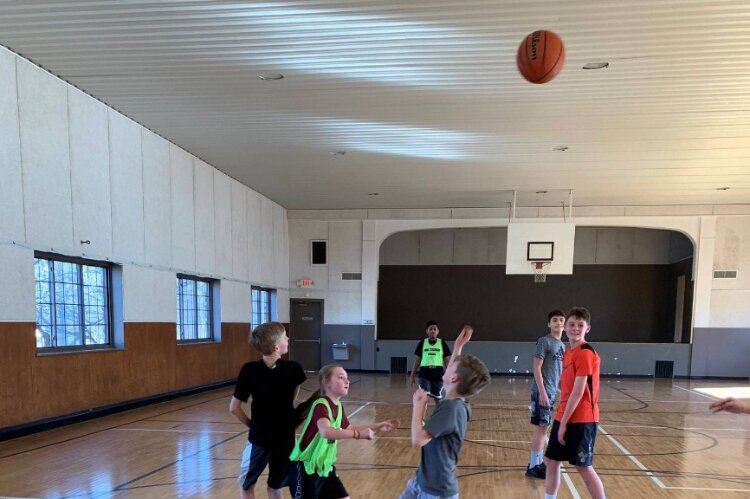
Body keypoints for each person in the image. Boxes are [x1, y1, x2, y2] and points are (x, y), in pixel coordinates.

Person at [399, 325, 491, 499]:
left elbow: (418, 439)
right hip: (421, 482)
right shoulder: (458, 401)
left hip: (436, 491)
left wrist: (418, 406)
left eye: (450, 366)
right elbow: (457, 368)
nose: (445, 365)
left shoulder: (451, 409)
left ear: (454, 378)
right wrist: (458, 346)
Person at [289, 364, 400, 499]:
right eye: (341, 377)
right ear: (326, 383)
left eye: (347, 378)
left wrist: (378, 426)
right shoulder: (321, 405)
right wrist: (359, 435)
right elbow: (326, 432)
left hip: (325, 468)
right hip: (305, 469)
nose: (347, 381)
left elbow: (348, 428)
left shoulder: (338, 406)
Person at [229, 322, 307, 499]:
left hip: (259, 438)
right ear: (276, 347)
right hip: (285, 438)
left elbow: (234, 408)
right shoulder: (293, 368)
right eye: (285, 336)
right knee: (276, 486)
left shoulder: (249, 370)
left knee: (246, 484)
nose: (288, 339)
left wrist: (253, 425)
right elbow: (292, 398)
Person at [544, 307, 606, 499]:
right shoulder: (569, 352)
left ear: (588, 328)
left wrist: (563, 424)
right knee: (551, 461)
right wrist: (561, 418)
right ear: (565, 326)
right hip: (564, 414)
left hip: (582, 419)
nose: (575, 328)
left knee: (583, 467)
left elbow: (578, 392)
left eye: (581, 325)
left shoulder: (586, 353)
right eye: (571, 324)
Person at [526, 310, 566, 479]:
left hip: (551, 392)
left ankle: (536, 463)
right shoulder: (544, 341)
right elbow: (536, 367)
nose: (558, 323)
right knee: (541, 429)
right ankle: (535, 465)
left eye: (561, 320)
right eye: (555, 320)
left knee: (544, 427)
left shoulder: (563, 346)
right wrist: (542, 392)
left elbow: (560, 372)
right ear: (549, 324)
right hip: (542, 391)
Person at [410, 320, 452, 400]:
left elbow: (446, 360)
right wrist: (412, 374)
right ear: (427, 331)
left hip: (438, 374)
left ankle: (438, 412)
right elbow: (417, 360)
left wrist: (450, 374)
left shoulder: (442, 343)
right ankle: (421, 412)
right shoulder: (422, 343)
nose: (433, 331)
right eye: (430, 329)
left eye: (434, 329)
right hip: (424, 373)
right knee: (423, 396)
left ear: (438, 331)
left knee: (438, 398)